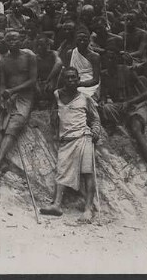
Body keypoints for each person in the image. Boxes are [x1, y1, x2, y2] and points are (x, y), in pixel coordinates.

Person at [39, 67, 101, 223]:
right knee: (61, 171)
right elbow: (54, 114)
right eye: (68, 78)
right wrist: (54, 131)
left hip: (83, 137)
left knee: (87, 172)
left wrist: (95, 131)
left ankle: (88, 210)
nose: (71, 80)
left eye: (74, 78)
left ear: (79, 79)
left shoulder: (85, 98)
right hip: (66, 139)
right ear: (63, 80)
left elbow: (95, 118)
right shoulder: (57, 95)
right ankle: (57, 205)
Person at [99, 43, 147, 186]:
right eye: (107, 58)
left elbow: (145, 93)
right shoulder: (104, 74)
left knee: (135, 129)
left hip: (135, 105)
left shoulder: (127, 70)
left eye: (112, 58)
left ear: (117, 59)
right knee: (102, 109)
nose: (110, 61)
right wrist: (102, 102)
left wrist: (130, 101)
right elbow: (103, 95)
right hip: (120, 106)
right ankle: (115, 127)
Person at [0, 31, 37, 173]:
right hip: (9, 95)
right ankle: (0, 160)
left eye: (14, 39)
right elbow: (2, 84)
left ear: (21, 40)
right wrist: (2, 99)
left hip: (24, 96)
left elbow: (32, 81)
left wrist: (12, 90)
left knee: (15, 124)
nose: (11, 42)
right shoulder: (4, 61)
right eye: (8, 39)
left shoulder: (29, 56)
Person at [64, 27, 101, 99]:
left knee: (82, 94)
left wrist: (79, 84)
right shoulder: (70, 53)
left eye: (85, 39)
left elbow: (96, 80)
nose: (82, 41)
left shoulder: (95, 56)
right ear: (75, 40)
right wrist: (72, 83)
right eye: (79, 39)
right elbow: (67, 72)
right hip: (72, 80)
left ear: (89, 40)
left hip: (89, 84)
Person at [35, 35, 63, 104]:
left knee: (51, 88)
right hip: (41, 81)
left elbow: (59, 64)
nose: (39, 47)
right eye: (38, 45)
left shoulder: (53, 54)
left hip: (53, 80)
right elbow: (33, 73)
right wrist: (36, 84)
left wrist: (49, 79)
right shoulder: (35, 57)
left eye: (42, 45)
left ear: (47, 45)